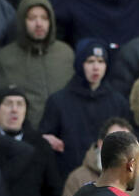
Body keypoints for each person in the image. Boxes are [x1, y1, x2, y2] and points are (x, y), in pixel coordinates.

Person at [40, 38, 132, 178]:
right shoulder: (58, 101)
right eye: (90, 61)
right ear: (80, 64)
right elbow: (45, 140)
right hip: (68, 178)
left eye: (101, 62)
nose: (96, 67)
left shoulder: (118, 102)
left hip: (109, 180)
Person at [0, 0, 75, 127]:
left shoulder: (66, 54)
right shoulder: (5, 59)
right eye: (32, 18)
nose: (39, 24)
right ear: (21, 21)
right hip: (25, 137)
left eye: (44, 18)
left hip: (65, 133)